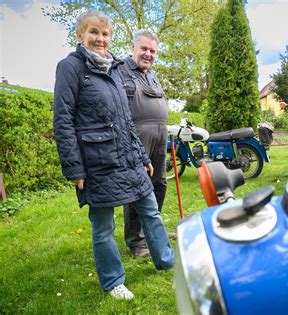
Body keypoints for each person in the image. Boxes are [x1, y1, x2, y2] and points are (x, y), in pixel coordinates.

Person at [52, 10, 174, 300]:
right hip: (97, 161)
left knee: (150, 209)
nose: (100, 39)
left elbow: (125, 119)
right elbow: (63, 119)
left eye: (105, 34)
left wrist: (142, 157)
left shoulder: (113, 68)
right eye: (94, 32)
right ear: (81, 35)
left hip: (129, 157)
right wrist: (75, 169)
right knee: (103, 226)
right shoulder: (70, 68)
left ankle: (166, 260)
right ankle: (113, 281)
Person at [117, 29, 174, 258]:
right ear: (133, 48)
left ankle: (153, 230)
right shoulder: (120, 71)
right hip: (136, 138)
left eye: (152, 51)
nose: (148, 54)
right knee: (137, 188)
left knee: (159, 184)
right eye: (144, 49)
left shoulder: (152, 75)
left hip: (160, 137)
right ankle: (136, 242)